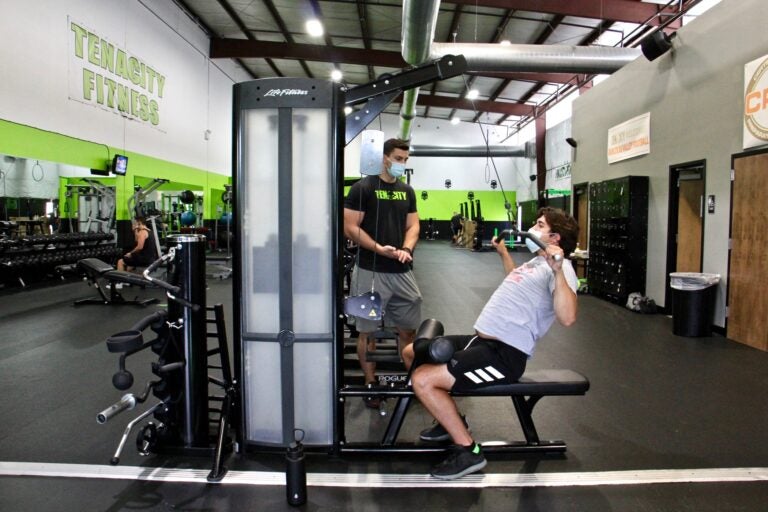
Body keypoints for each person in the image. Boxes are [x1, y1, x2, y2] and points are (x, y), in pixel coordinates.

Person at [404, 207, 580, 480]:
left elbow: (567, 317)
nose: (533, 226)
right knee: (412, 352)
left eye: (540, 224)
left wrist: (557, 269)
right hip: (481, 341)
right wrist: (504, 255)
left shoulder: (561, 268)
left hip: (504, 355)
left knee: (424, 380)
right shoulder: (535, 262)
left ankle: (469, 451)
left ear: (554, 237)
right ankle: (449, 422)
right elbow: (516, 282)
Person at [343, 138, 422, 409]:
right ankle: (370, 383)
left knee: (408, 331)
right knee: (367, 332)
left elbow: (413, 226)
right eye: (398, 158)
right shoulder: (362, 188)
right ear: (385, 158)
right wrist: (379, 248)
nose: (402, 163)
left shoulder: (407, 191)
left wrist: (406, 249)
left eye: (405, 159)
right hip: (369, 270)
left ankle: (414, 382)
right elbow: (350, 227)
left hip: (402, 271)